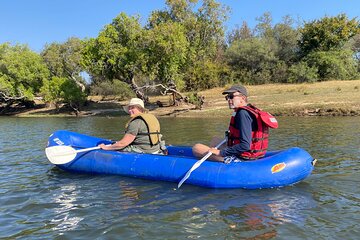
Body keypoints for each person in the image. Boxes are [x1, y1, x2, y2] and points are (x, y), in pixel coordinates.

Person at [192, 85, 278, 162]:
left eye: (231, 96)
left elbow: (245, 146)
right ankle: (213, 160)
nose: (229, 100)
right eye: (227, 97)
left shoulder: (242, 114)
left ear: (243, 98)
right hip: (254, 155)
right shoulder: (249, 110)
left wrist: (220, 152)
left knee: (196, 148)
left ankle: (223, 162)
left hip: (243, 158)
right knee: (215, 140)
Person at [99, 98, 166, 154]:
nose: (130, 110)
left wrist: (106, 147)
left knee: (119, 148)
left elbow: (123, 143)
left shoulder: (136, 122)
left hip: (144, 151)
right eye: (129, 108)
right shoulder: (153, 118)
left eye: (133, 108)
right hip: (155, 149)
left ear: (140, 108)